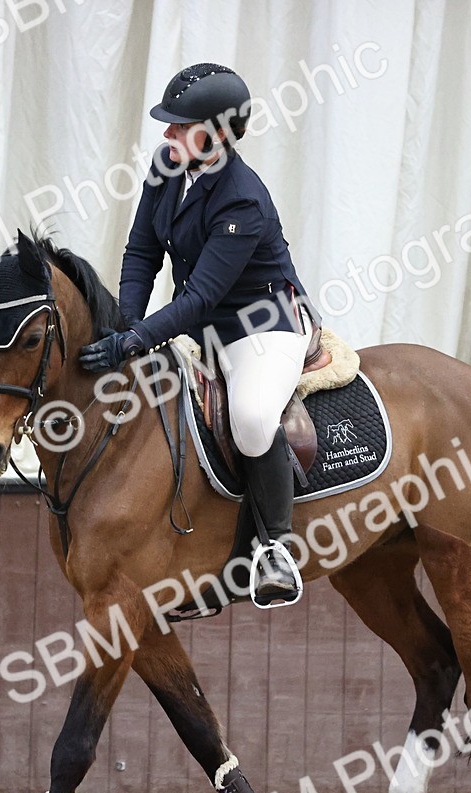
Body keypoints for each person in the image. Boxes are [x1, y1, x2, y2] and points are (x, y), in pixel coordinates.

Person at [80, 63, 317, 604]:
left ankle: (275, 548)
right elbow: (142, 252)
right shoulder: (167, 166)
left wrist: (137, 342)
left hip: (263, 325)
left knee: (253, 420)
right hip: (202, 324)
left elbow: (201, 297)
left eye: (178, 125)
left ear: (214, 134)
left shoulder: (242, 199)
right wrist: (127, 326)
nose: (166, 134)